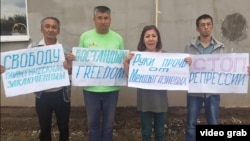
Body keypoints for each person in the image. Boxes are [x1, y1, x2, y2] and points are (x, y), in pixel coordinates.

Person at [184, 14, 250, 141]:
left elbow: (227, 68)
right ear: (197, 29)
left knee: (213, 124)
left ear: (212, 27)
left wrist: (243, 70)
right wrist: (184, 64)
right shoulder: (189, 46)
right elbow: (182, 68)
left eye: (208, 24)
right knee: (191, 124)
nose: (206, 27)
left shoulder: (220, 47)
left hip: (213, 93)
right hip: (194, 92)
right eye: (202, 25)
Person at [123, 25, 192, 141]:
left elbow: (177, 73)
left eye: (154, 36)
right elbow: (130, 76)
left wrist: (186, 64)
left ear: (158, 39)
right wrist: (126, 62)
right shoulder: (137, 57)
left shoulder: (166, 56)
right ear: (143, 39)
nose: (151, 39)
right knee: (146, 133)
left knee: (160, 133)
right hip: (144, 101)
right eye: (147, 36)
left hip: (161, 102)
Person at [67, 6, 124, 141]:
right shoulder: (85, 37)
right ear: (94, 20)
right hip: (90, 89)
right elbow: (79, 60)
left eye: (105, 18)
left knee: (109, 125)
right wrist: (73, 59)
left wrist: (127, 60)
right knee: (93, 125)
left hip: (112, 89)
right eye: (99, 18)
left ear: (110, 20)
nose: (103, 21)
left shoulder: (118, 38)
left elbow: (122, 61)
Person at [30, 17, 71, 141]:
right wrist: (7, 69)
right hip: (42, 95)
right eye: (47, 26)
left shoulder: (66, 50)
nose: (50, 29)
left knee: (64, 127)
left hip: (61, 95)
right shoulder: (33, 48)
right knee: (44, 127)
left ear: (58, 31)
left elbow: (73, 73)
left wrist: (68, 68)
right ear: (42, 29)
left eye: (54, 27)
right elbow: (24, 69)